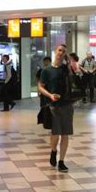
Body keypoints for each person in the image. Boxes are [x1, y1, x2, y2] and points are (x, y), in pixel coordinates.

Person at [38, 44, 74, 173]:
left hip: (67, 105)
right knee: (56, 134)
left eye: (64, 51)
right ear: (55, 51)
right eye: (59, 50)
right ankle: (53, 150)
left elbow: (75, 74)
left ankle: (61, 161)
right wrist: (50, 95)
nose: (61, 53)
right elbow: (40, 87)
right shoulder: (47, 70)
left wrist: (69, 62)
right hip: (53, 106)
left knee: (65, 134)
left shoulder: (66, 69)